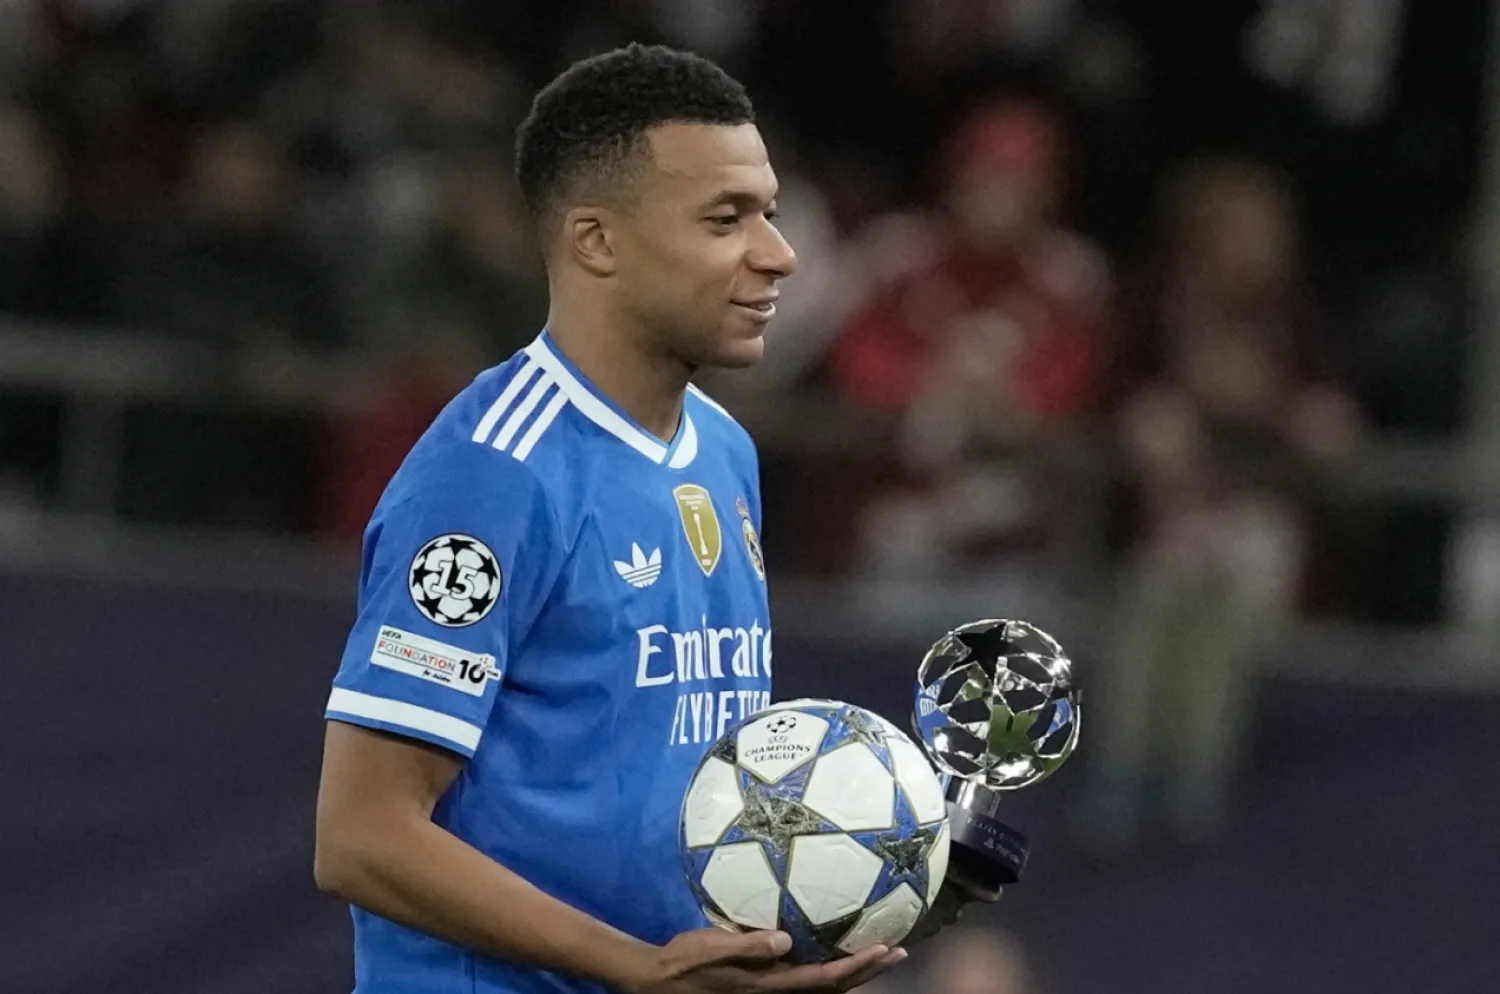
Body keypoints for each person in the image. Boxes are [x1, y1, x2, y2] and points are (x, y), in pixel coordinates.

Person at [314, 44, 962, 994]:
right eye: (725, 219)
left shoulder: (724, 450)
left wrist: (872, 871)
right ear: (596, 241)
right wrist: (637, 971)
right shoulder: (493, 474)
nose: (779, 254)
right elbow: (361, 837)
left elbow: (679, 794)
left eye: (770, 213)